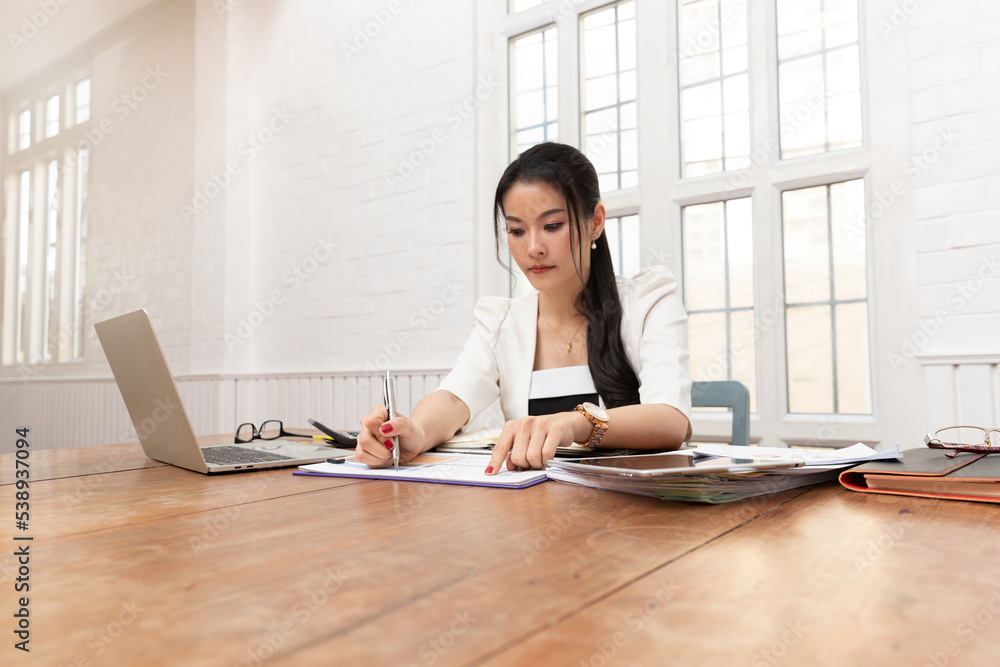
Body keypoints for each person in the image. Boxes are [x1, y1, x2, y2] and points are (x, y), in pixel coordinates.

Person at [356, 142, 692, 475]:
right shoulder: (502, 321)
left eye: (552, 226)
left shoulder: (648, 301)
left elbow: (670, 419)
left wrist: (574, 424)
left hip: (631, 512)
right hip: (531, 512)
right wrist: (414, 432)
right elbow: (454, 399)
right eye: (517, 230)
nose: (533, 248)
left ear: (596, 222)